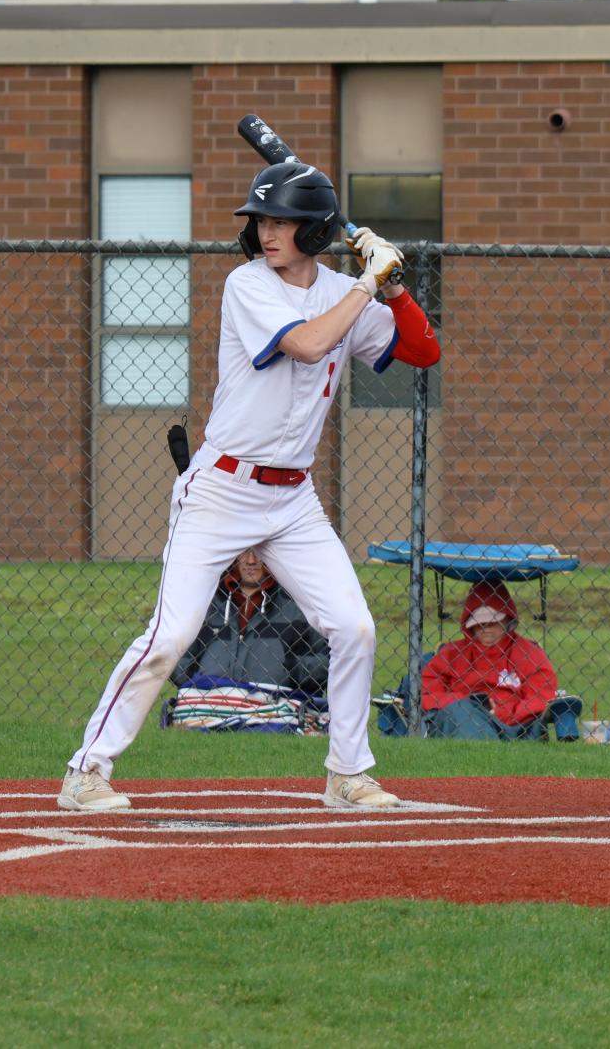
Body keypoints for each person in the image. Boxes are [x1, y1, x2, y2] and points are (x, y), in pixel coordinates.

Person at [59, 151, 441, 812]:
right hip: (221, 491)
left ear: (314, 230)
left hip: (291, 499)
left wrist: (395, 286)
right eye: (261, 219)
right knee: (169, 636)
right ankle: (86, 770)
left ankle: (347, 774)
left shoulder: (337, 293)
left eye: (283, 221)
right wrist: (363, 284)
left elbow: (422, 351)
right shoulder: (249, 285)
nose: (267, 232)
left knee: (352, 628)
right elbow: (309, 344)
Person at [169, 547, 329, 697]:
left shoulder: (298, 603)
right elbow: (175, 654)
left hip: (275, 709)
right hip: (209, 705)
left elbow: (328, 660)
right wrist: (195, 675)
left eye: (259, 551)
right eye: (244, 551)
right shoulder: (207, 602)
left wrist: (289, 669)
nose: (251, 560)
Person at [418, 580, 558, 739]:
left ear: (507, 619)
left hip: (513, 727)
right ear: (469, 624)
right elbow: (425, 694)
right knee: (459, 713)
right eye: (480, 623)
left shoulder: (528, 653)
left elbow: (541, 697)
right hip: (460, 719)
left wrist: (498, 713)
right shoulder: (451, 653)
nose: (486, 628)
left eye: (493, 621)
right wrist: (468, 704)